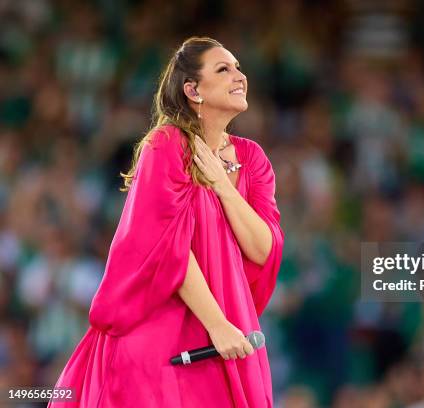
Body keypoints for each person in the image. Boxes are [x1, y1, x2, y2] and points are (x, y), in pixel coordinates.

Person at [48, 36, 284, 407]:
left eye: (238, 67)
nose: (240, 76)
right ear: (193, 89)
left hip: (230, 330)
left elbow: (263, 248)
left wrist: (223, 186)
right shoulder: (167, 143)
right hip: (166, 333)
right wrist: (217, 325)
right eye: (224, 69)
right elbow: (165, 244)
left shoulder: (252, 159)